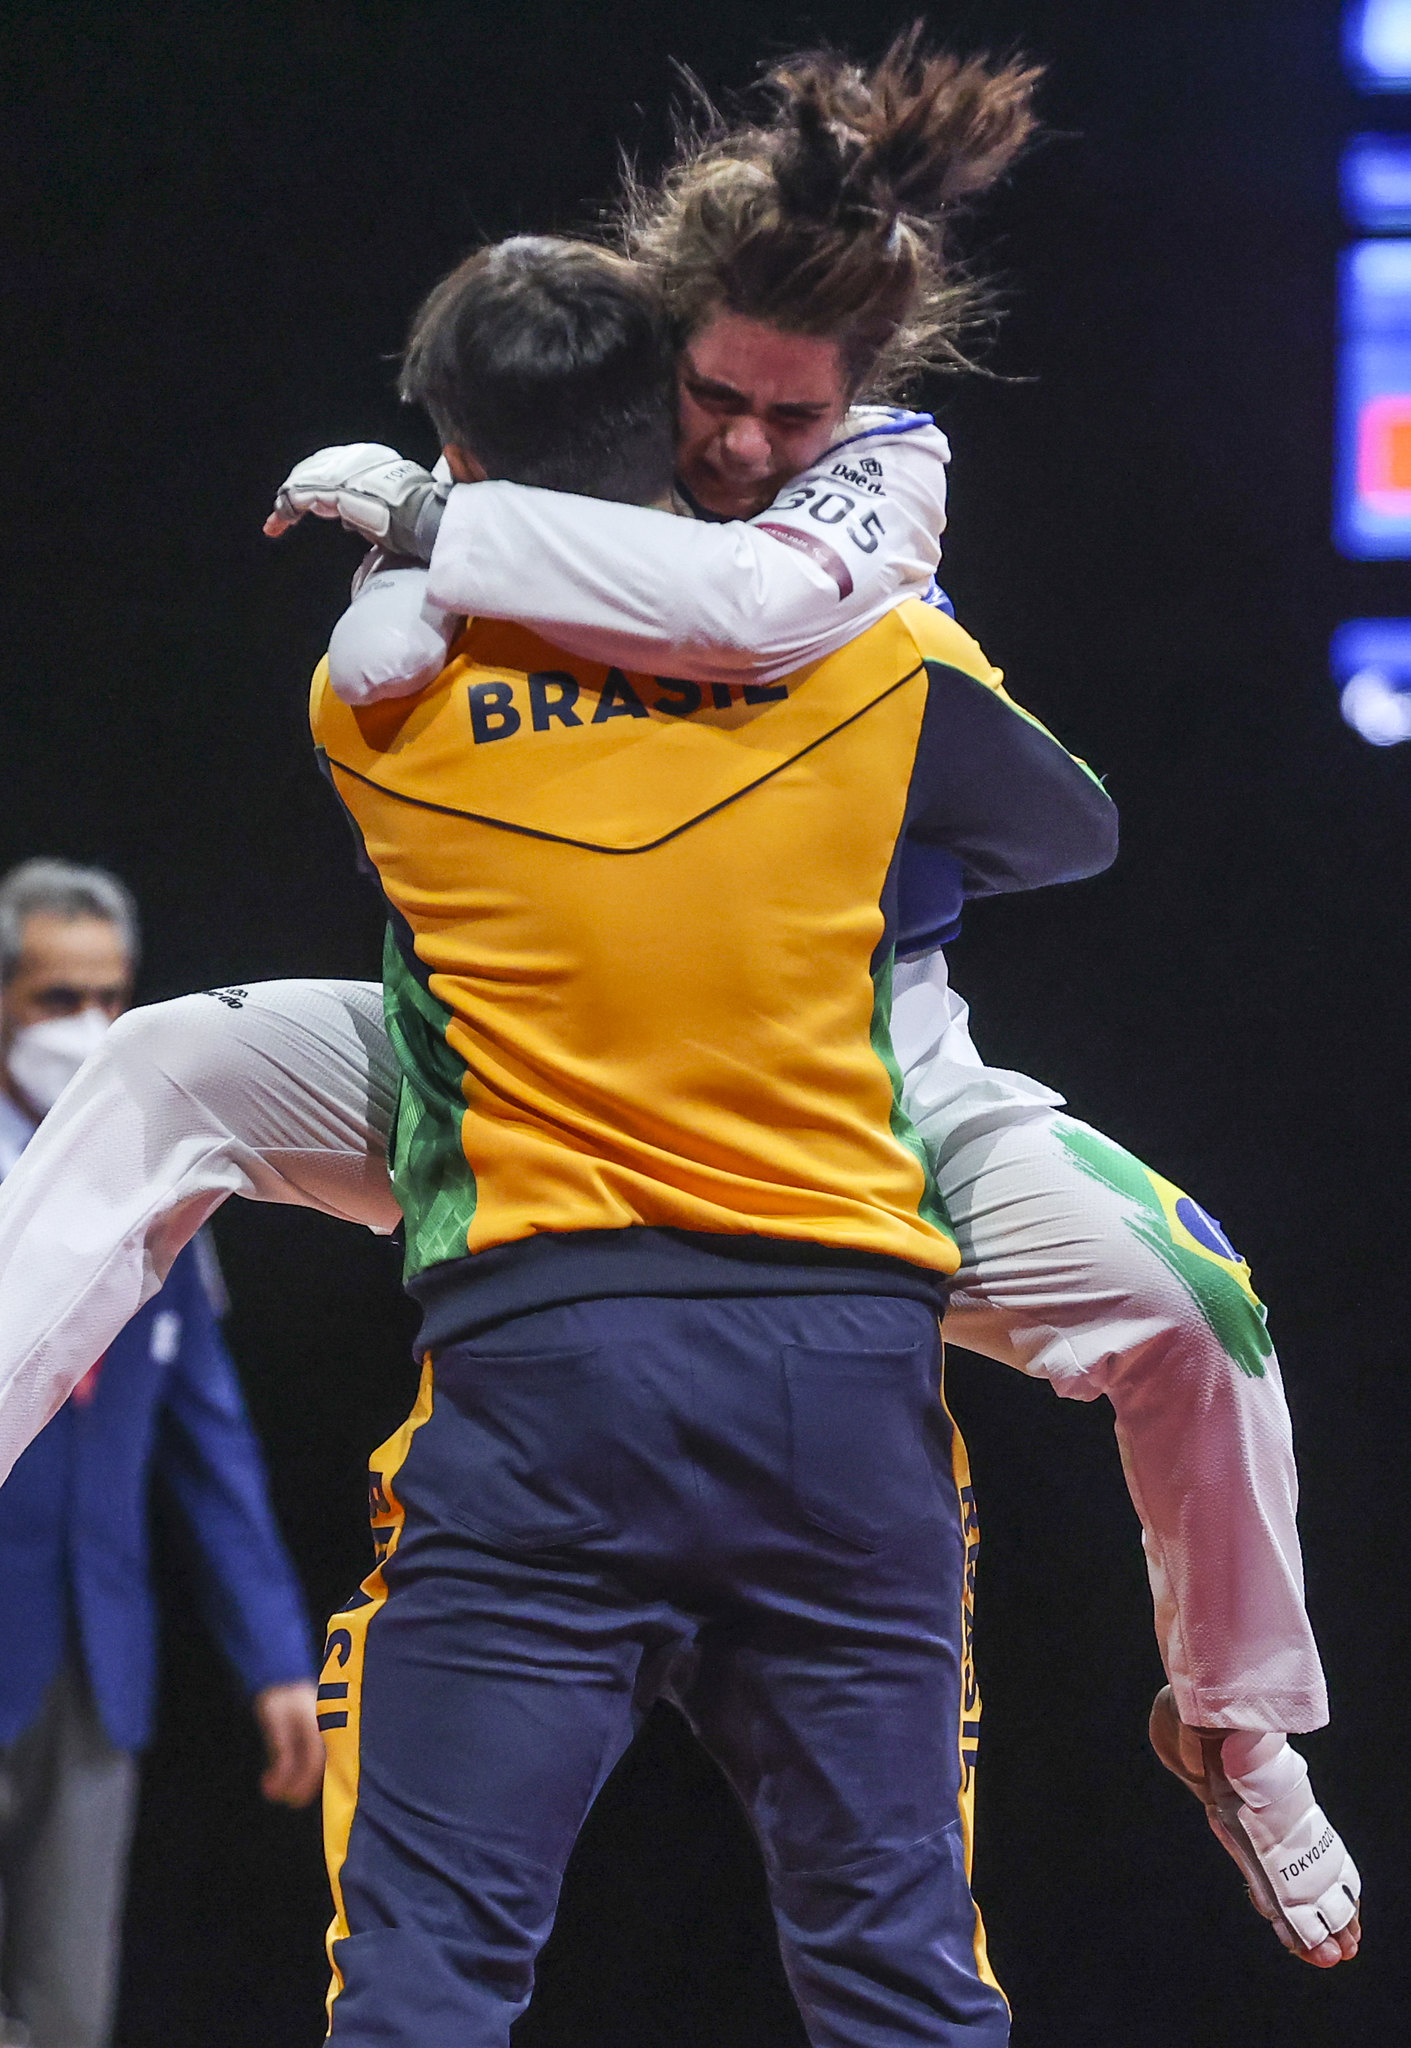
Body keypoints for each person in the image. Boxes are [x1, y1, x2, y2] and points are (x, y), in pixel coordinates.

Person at [0, 29, 1358, 1978]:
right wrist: (420, 529)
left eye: (792, 419)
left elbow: (750, 608)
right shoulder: (569, 410)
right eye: (714, 397)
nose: (741, 448)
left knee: (1196, 1309)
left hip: (846, 1088)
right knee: (159, 1065)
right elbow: (387, 641)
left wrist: (424, 520)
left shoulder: (874, 492)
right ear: (657, 339)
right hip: (509, 1070)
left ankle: (1233, 1714)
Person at [310, 224, 1116, 2046]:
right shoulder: (879, 663)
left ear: (456, 456)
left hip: (548, 1377)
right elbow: (1070, 832)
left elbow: (478, 609)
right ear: (673, 415)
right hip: (843, 1386)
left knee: (424, 1985)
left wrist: (441, 539)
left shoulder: (374, 704)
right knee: (904, 1984)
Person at [0, 860, 324, 2048]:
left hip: (94, 1661)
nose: (85, 1025)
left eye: (108, 996)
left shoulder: (164, 1196)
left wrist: (277, 1655)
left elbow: (212, 1446)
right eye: (53, 998)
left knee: (70, 2015)